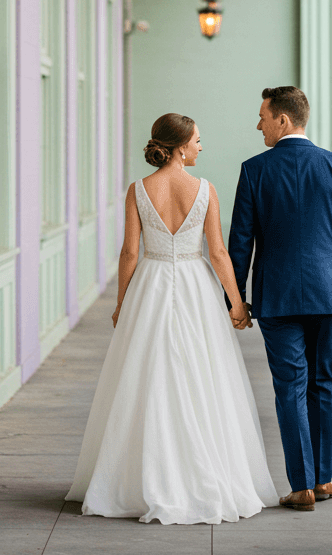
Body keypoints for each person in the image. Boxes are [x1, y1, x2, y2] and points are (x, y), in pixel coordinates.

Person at [67, 113, 278, 524]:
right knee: (203, 374)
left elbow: (130, 253)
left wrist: (121, 302)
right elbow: (218, 253)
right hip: (197, 286)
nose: (201, 146)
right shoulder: (205, 190)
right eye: (198, 140)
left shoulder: (138, 190)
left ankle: (139, 478)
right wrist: (236, 303)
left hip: (151, 282)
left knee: (146, 375)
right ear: (181, 146)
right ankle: (206, 472)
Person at [228, 85, 332, 512]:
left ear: (283, 120)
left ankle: (302, 485)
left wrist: (236, 298)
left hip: (278, 295)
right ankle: (323, 479)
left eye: (263, 117)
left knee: (290, 386)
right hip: (329, 293)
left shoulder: (254, 170)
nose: (259, 125)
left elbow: (240, 243)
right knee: (323, 383)